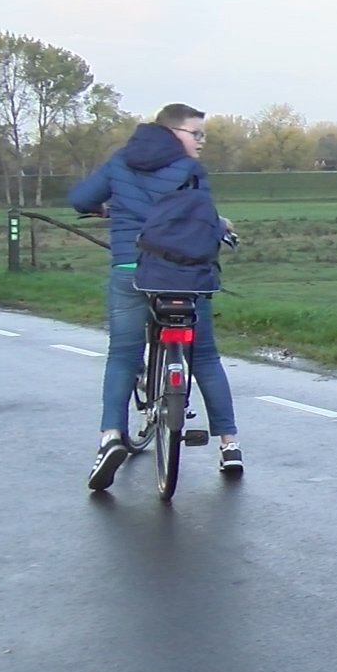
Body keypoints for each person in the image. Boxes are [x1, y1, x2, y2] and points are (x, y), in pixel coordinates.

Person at [68, 103, 241, 490]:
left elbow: (79, 198)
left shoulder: (120, 161)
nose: (201, 142)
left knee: (123, 355)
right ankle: (230, 445)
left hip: (131, 271)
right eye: (196, 134)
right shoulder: (191, 171)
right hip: (183, 275)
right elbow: (203, 218)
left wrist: (105, 208)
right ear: (173, 132)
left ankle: (111, 437)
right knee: (206, 356)